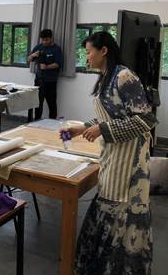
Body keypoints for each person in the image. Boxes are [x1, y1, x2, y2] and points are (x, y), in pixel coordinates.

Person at [60, 32, 157, 275]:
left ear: (104, 51)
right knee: (108, 204)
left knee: (123, 213)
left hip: (130, 161)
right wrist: (82, 128)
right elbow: (110, 117)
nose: (86, 57)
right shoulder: (106, 77)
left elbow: (145, 120)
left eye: (89, 51)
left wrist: (102, 129)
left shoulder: (124, 76)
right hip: (115, 155)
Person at [27, 29, 62, 120]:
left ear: (51, 38)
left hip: (51, 81)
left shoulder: (56, 49)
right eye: (42, 40)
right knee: (38, 103)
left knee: (52, 103)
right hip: (39, 80)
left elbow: (58, 64)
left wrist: (47, 67)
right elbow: (28, 60)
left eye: (46, 40)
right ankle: (37, 121)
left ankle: (52, 123)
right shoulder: (38, 47)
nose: (44, 42)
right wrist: (33, 55)